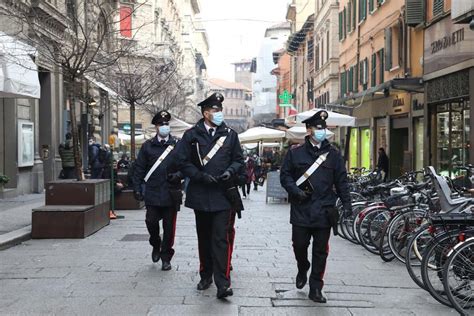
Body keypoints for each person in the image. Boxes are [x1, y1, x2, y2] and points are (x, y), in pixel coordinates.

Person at [175, 92, 244, 299]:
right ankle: (205, 275)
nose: (219, 113)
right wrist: (199, 176)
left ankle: (223, 283)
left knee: (220, 239)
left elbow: (238, 159)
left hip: (223, 195)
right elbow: (182, 161)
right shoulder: (191, 135)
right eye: (215, 110)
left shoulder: (230, 135)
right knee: (204, 239)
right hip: (201, 193)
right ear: (206, 113)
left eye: (220, 110)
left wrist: (230, 171)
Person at [280, 110, 352, 304]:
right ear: (309, 130)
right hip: (302, 208)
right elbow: (285, 176)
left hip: (324, 209)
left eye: (324, 128)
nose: (321, 131)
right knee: (299, 245)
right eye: (318, 128)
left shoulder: (334, 155)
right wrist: (295, 191)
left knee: (321, 251)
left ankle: (316, 287)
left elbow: (342, 181)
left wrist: (347, 204)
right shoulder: (295, 153)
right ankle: (302, 267)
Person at [133, 110, 183, 271]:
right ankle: (156, 243)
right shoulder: (148, 146)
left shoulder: (177, 145)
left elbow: (186, 165)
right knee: (151, 221)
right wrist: (137, 188)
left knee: (169, 228)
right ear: (156, 127)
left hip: (171, 192)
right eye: (161, 124)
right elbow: (139, 168)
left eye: (166, 124)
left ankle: (166, 257)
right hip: (153, 192)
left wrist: (178, 175)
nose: (164, 126)